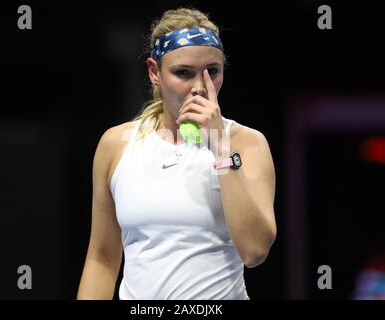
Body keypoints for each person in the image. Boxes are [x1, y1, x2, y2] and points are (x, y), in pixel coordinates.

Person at [77, 7, 276, 300]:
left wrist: (220, 146)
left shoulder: (247, 144)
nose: (200, 87)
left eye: (212, 71)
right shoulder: (115, 145)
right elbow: (102, 259)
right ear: (154, 73)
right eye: (183, 73)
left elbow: (255, 250)